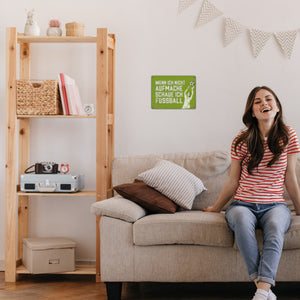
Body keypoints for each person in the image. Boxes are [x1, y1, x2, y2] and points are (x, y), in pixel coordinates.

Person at [203, 86, 300, 300]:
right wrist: (217, 208)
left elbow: (290, 177)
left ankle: (261, 292)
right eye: (258, 101)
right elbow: (233, 180)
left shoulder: (289, 136)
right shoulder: (241, 140)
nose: (264, 103)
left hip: (275, 206)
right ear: (252, 112)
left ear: (277, 107)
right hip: (242, 204)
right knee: (241, 222)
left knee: (275, 227)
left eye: (268, 99)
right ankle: (264, 289)